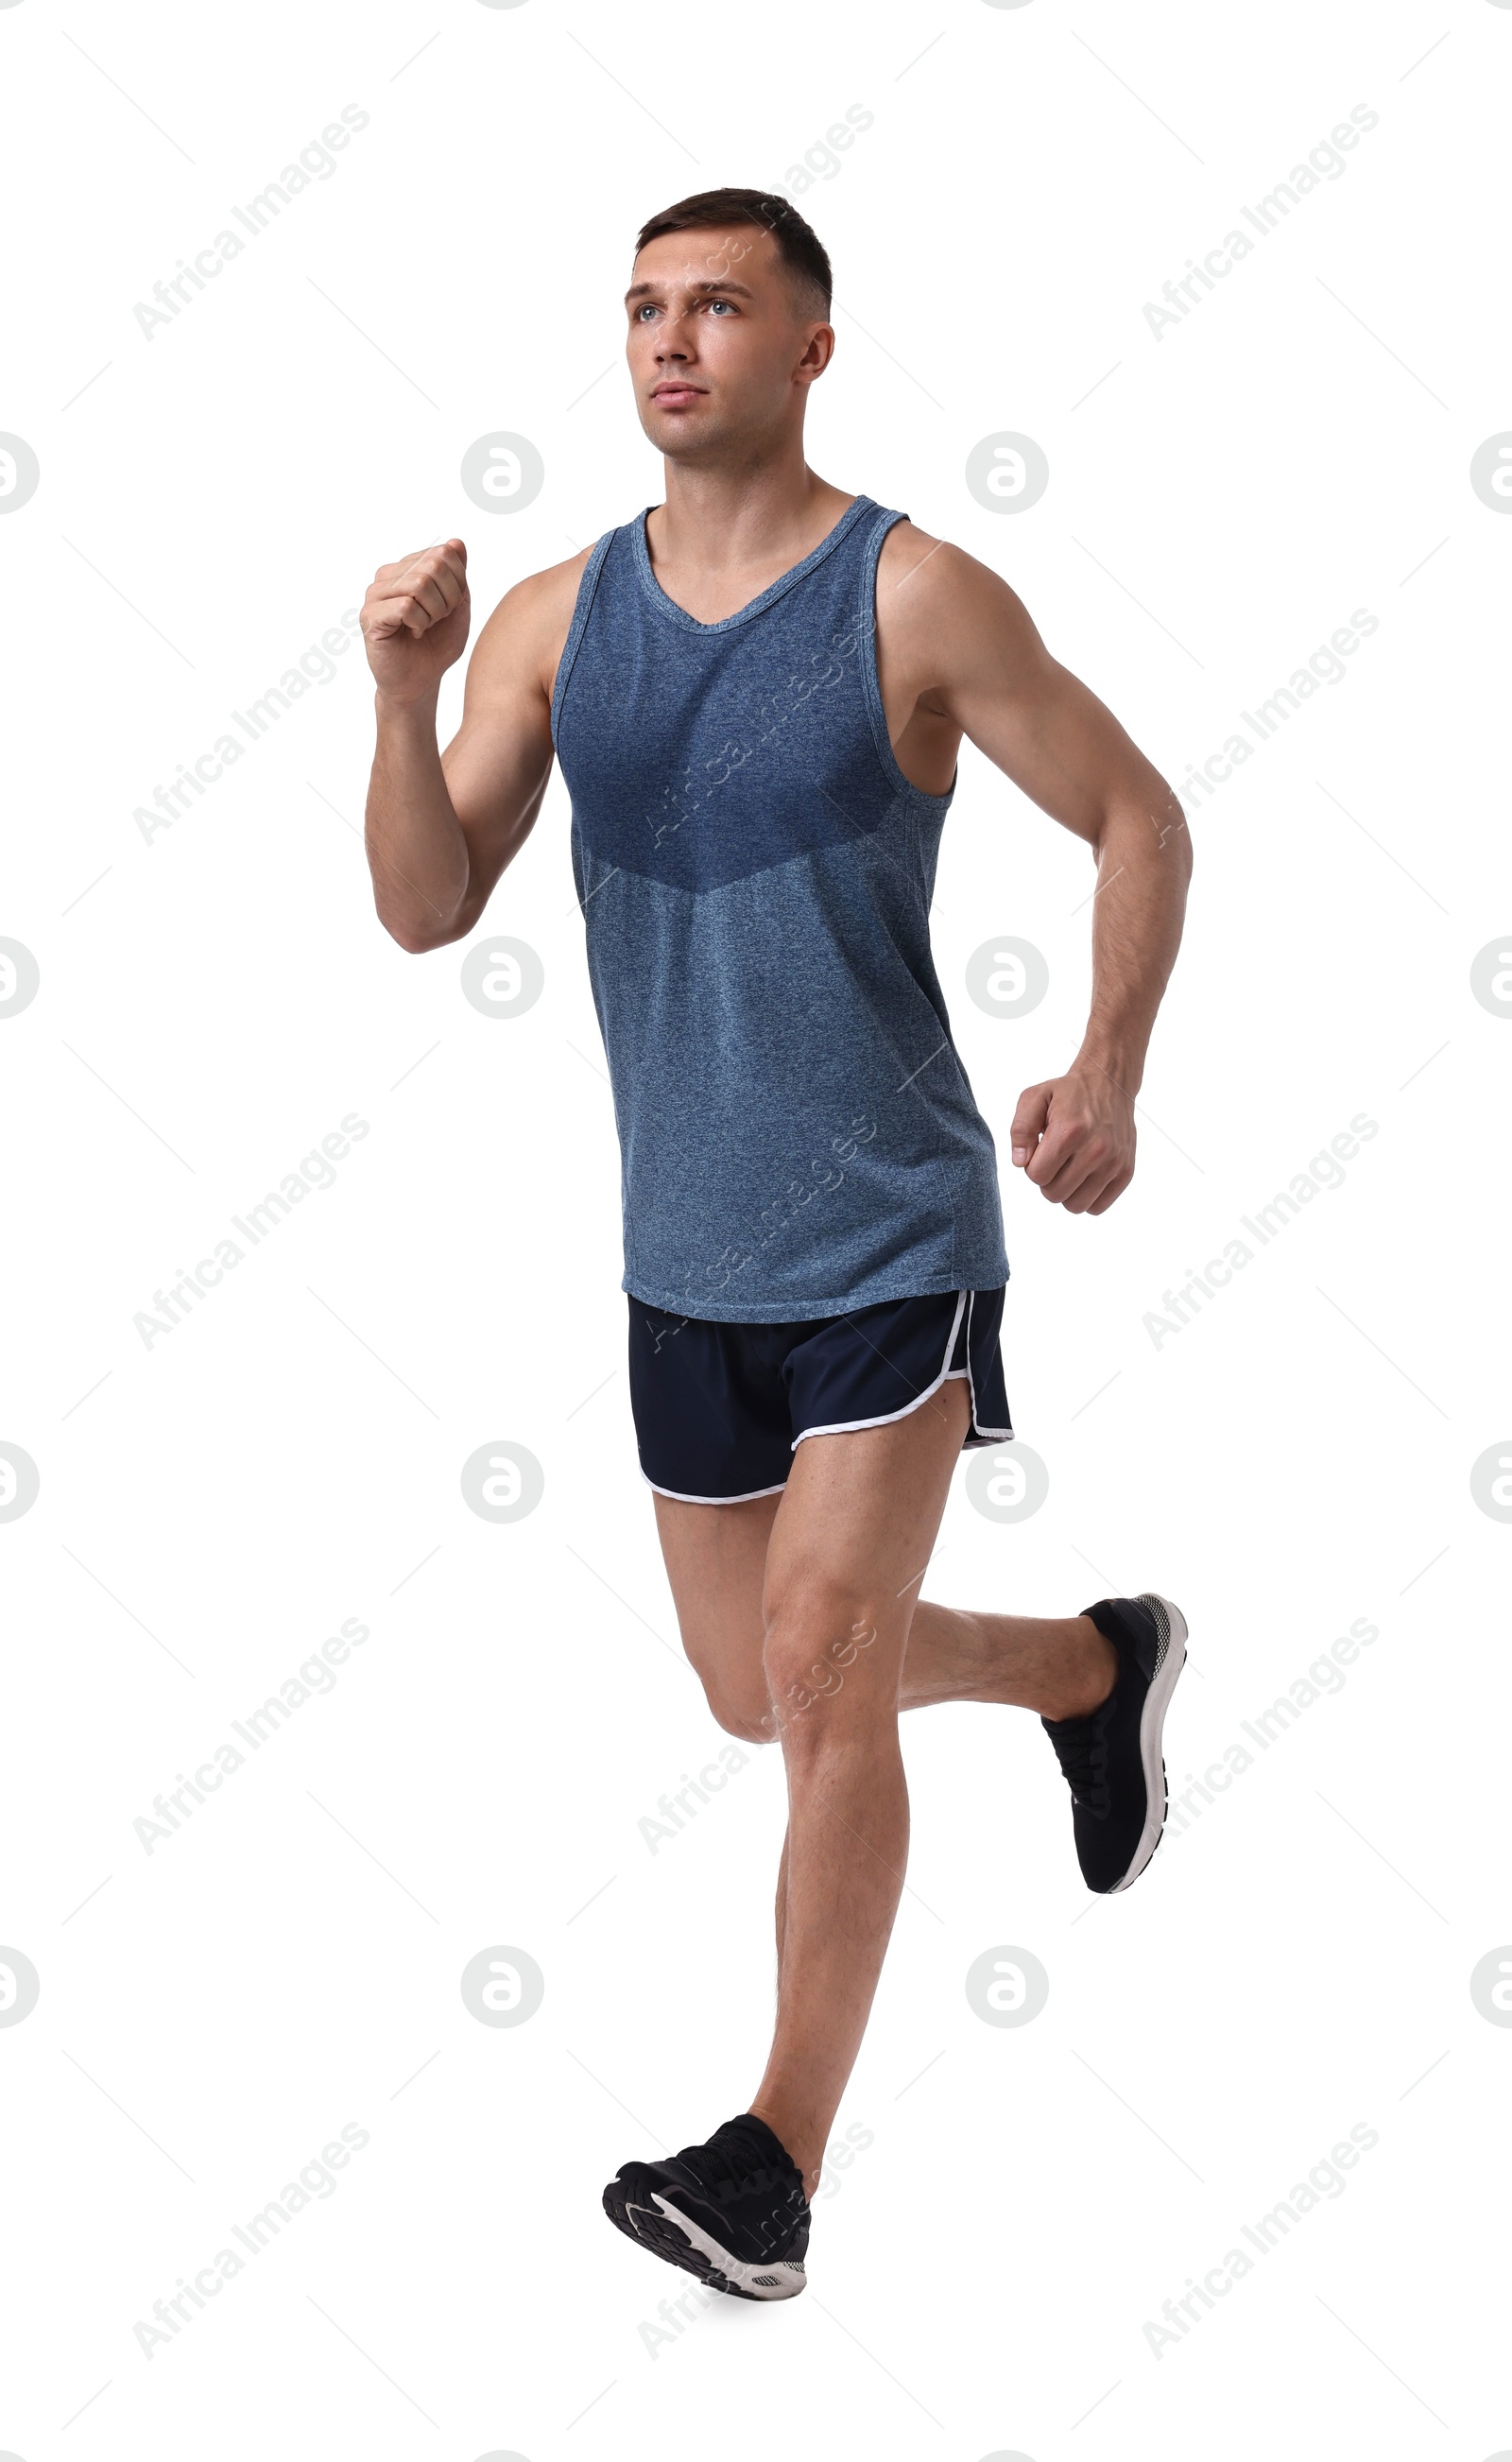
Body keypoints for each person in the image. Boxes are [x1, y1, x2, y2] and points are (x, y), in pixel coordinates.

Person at [359, 187, 1193, 2304]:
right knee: (760, 1687)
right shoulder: (553, 620)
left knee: (821, 1678)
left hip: (886, 1231)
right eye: (642, 306)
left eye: (719, 304)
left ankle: (769, 2165)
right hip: (683, 1256)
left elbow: (1136, 813)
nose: (670, 338)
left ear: (810, 345)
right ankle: (1088, 1665)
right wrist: (399, 691)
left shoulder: (909, 595)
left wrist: (1103, 1064)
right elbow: (425, 896)